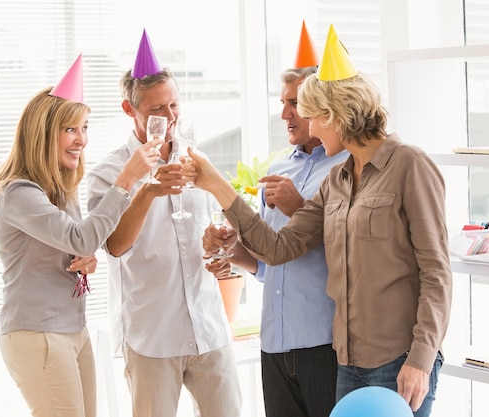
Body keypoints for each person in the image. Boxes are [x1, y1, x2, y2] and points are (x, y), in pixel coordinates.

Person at [183, 24, 452, 417]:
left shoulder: (410, 165)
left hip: (400, 361)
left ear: (337, 115)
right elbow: (278, 248)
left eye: (313, 117)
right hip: (348, 365)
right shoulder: (337, 181)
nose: (308, 126)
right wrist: (217, 186)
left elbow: (437, 274)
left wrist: (422, 359)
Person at [0, 54, 160, 417]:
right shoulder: (18, 193)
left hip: (70, 328)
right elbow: (82, 237)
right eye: (70, 129)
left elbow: (77, 243)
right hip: (38, 333)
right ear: (43, 134)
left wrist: (85, 260)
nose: (81, 139)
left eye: (84, 128)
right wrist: (125, 179)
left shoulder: (60, 192)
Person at [86, 30, 241, 417]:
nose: (170, 118)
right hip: (151, 335)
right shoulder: (108, 174)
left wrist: (222, 247)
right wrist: (148, 191)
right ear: (129, 109)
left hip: (209, 327)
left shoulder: (197, 160)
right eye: (157, 109)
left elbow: (210, 232)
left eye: (174, 105)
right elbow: (115, 246)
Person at [204, 21, 347, 417]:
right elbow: (267, 264)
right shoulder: (279, 167)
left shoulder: (347, 167)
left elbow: (348, 248)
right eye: (283, 102)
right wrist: (234, 251)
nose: (285, 113)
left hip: (323, 343)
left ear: (324, 107)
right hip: (274, 343)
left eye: (295, 103)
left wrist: (298, 206)